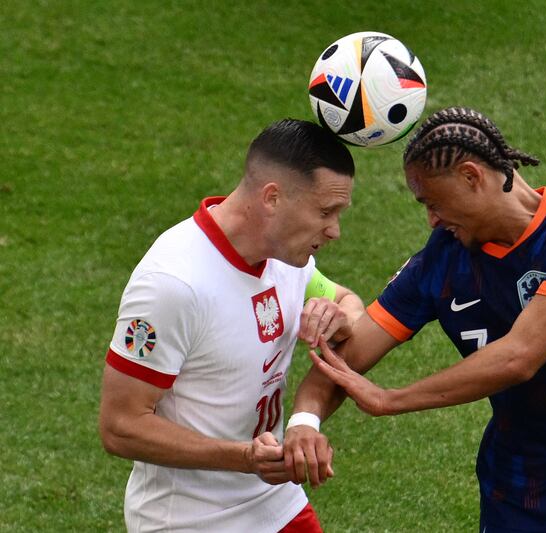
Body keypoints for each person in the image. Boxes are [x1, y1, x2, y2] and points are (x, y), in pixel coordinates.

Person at [284, 107, 546, 532]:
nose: (432, 220)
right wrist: (304, 422)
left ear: (473, 177)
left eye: (434, 203)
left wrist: (391, 399)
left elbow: (520, 356)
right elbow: (345, 359)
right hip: (516, 489)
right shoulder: (440, 261)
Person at [99, 119, 364, 532]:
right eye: (325, 212)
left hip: (275, 501)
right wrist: (244, 458)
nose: (334, 231)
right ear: (272, 198)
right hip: (190, 520)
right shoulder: (173, 285)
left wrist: (339, 315)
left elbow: (349, 303)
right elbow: (120, 426)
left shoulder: (285, 258)